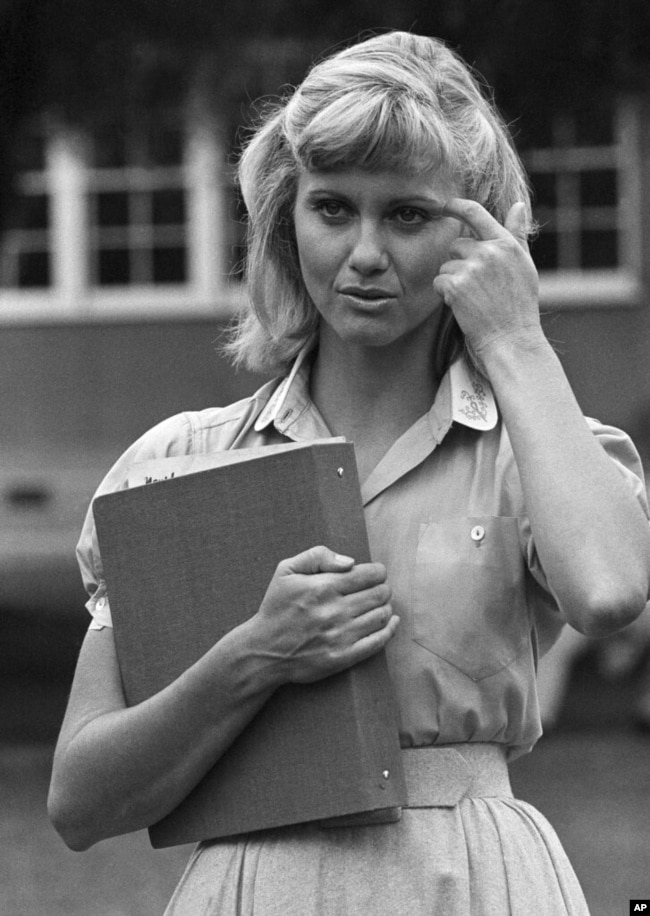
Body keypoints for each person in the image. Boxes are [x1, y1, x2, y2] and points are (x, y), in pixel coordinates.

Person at [48, 31, 650, 915]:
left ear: (479, 236)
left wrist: (515, 337)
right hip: (253, 887)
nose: (365, 252)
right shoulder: (176, 466)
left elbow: (608, 593)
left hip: (474, 885)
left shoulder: (538, 449)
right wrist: (254, 656)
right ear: (286, 224)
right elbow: (80, 802)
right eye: (333, 208)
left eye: (407, 215)